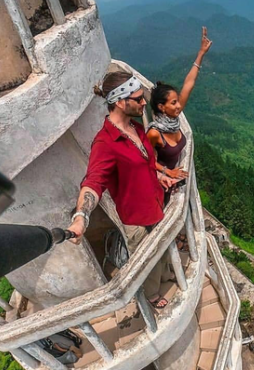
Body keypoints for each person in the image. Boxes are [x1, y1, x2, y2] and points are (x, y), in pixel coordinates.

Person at [68, 71, 176, 310]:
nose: (144, 102)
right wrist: (81, 217)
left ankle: (166, 275)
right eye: (138, 99)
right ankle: (152, 294)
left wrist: (159, 176)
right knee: (148, 260)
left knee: (164, 248)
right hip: (137, 219)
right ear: (120, 101)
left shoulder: (136, 128)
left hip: (156, 205)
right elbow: (93, 181)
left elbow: (143, 163)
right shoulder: (105, 143)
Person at [147, 26, 212, 182]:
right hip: (161, 183)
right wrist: (167, 172)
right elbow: (143, 159)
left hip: (175, 179)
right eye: (174, 103)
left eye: (177, 102)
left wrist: (201, 53)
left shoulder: (173, 119)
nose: (178, 106)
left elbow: (189, 83)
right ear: (162, 107)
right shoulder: (155, 133)